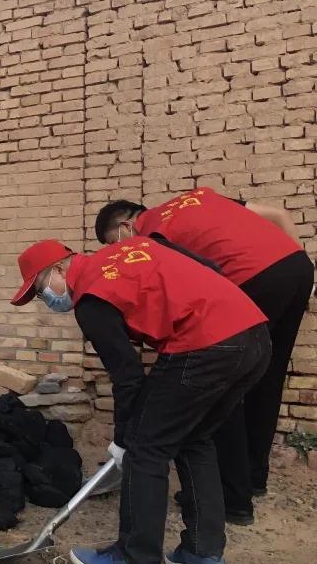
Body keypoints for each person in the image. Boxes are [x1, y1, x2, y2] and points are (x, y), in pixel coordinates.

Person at [11, 238, 270, 564]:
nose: (47, 300)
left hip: (204, 343)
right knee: (194, 438)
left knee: (146, 448)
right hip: (255, 336)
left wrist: (124, 440)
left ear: (57, 269)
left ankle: (133, 563)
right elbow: (208, 269)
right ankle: (202, 550)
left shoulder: (91, 298)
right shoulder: (126, 252)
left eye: (41, 290)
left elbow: (128, 376)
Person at [95, 189, 313, 523]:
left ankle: (233, 499)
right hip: (297, 267)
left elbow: (193, 279)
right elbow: (280, 215)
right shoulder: (199, 197)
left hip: (250, 278)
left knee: (222, 385)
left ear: (126, 226)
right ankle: (253, 479)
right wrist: (302, 268)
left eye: (115, 244)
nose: (121, 251)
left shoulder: (152, 234)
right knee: (267, 379)